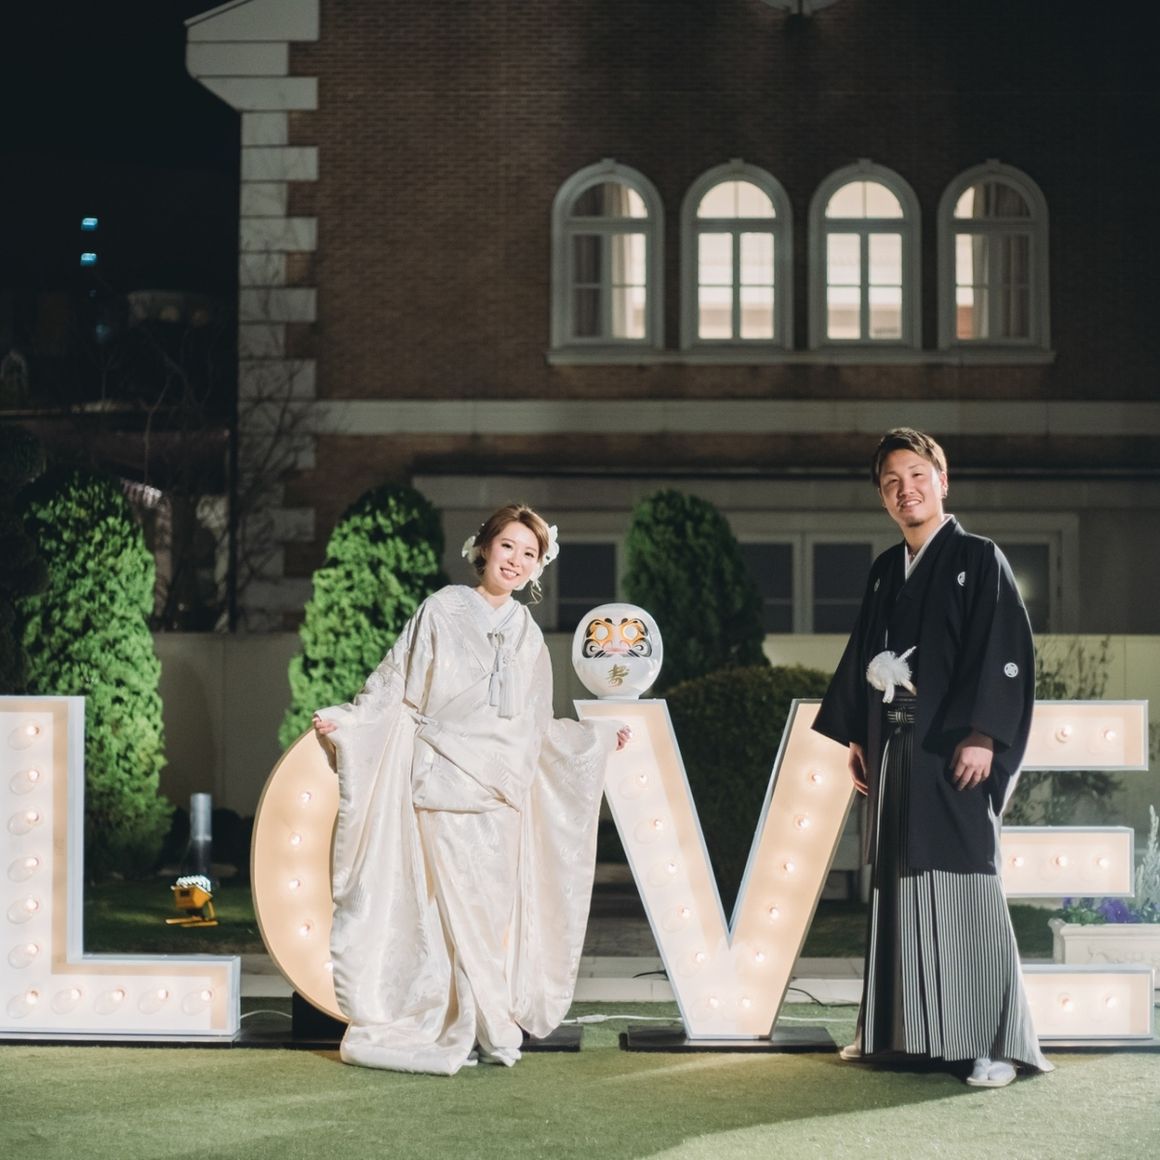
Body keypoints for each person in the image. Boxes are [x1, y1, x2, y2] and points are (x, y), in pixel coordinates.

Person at [312, 503, 629, 1075]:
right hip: (443, 782)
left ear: (538, 567)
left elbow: (537, 725)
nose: (516, 561)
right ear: (484, 547)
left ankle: (484, 1021)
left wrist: (596, 739)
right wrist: (352, 723)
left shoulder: (529, 635)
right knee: (444, 914)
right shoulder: (441, 609)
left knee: (487, 915)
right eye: (508, 546)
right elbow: (396, 684)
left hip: (501, 796)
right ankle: (459, 1022)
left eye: (529, 554)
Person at [812, 428, 1052, 1088]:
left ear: (942, 482)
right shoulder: (886, 570)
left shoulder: (979, 556)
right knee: (900, 887)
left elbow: (1004, 650)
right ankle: (905, 1036)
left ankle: (992, 1045)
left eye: (917, 475)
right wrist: (860, 736)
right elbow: (865, 655)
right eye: (891, 482)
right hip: (895, 749)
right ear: (882, 496)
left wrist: (985, 734)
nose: (905, 490)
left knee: (966, 883)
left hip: (953, 750)